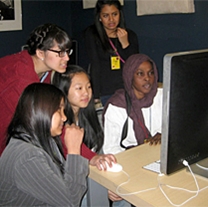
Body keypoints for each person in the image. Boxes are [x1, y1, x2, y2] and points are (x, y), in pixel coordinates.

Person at [0, 83, 88, 206]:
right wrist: (74, 150)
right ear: (40, 111)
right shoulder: (26, 157)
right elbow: (71, 202)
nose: (64, 118)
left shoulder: (42, 140)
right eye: (59, 110)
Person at [0, 23, 72, 156]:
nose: (67, 57)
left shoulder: (46, 73)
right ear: (40, 53)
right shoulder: (20, 80)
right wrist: (87, 155)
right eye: (60, 53)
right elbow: (45, 123)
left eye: (68, 51)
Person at [52, 65, 117, 206]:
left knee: (120, 190)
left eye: (88, 87)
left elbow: (96, 149)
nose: (86, 93)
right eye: (79, 88)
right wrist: (94, 159)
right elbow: (73, 146)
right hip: (69, 182)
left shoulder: (89, 115)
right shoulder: (59, 123)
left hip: (89, 174)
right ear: (63, 91)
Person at [103, 53, 162, 205]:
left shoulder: (160, 96)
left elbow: (173, 125)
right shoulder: (117, 106)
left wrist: (164, 134)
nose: (147, 78)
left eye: (150, 73)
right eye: (140, 74)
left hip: (155, 160)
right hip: (128, 166)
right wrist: (137, 154)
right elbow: (110, 149)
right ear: (130, 76)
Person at [84, 0, 139, 106]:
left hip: (127, 91)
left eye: (115, 14)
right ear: (99, 17)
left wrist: (126, 44)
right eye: (106, 15)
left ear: (120, 14)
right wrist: (95, 96)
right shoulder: (92, 34)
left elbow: (134, 66)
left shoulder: (130, 35)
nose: (111, 19)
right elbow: (95, 65)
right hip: (106, 93)